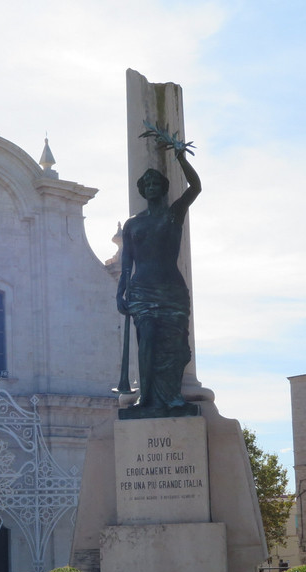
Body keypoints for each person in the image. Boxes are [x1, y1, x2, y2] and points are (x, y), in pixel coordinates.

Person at [116, 133, 201, 417]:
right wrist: (120, 293)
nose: (151, 186)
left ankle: (173, 396)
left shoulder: (174, 214)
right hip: (142, 290)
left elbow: (196, 187)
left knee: (175, 346)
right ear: (142, 189)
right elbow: (126, 262)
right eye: (147, 183)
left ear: (163, 188)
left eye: (156, 183)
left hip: (171, 290)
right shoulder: (132, 224)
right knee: (147, 343)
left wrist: (180, 156)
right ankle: (148, 397)